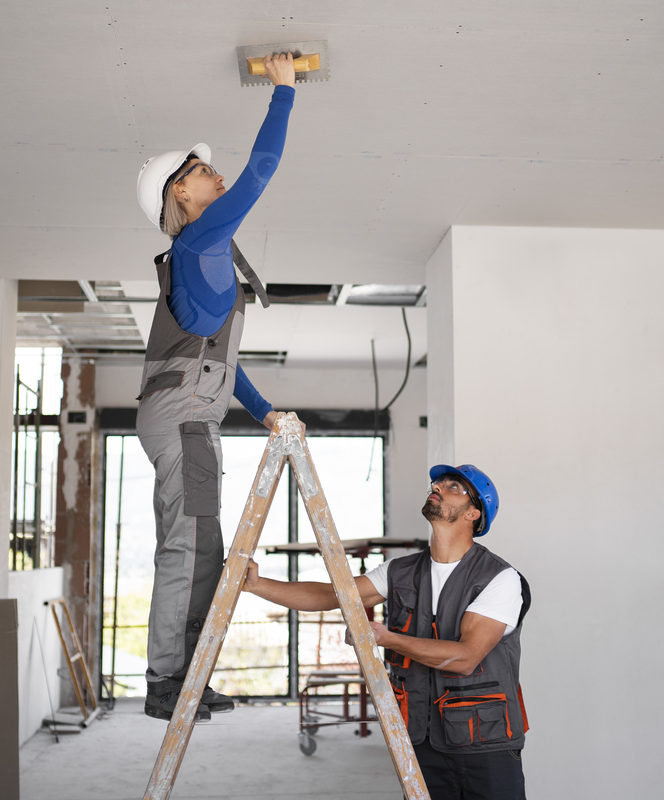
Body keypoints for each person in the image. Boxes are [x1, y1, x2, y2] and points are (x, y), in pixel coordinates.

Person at [133, 53, 299, 723]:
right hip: (184, 421)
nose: (218, 176)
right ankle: (167, 682)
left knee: (201, 548)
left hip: (185, 414)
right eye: (203, 173)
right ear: (182, 196)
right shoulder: (200, 242)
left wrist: (260, 410)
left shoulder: (203, 254)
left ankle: (186, 676)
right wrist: (283, 93)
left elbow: (221, 365)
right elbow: (260, 173)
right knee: (188, 547)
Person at [244, 464, 531, 800]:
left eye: (453, 486)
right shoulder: (400, 571)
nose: (437, 485)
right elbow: (330, 595)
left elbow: (466, 658)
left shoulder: (499, 578)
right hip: (420, 739)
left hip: (486, 743)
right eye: (438, 481)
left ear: (473, 513)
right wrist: (257, 585)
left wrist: (385, 638)